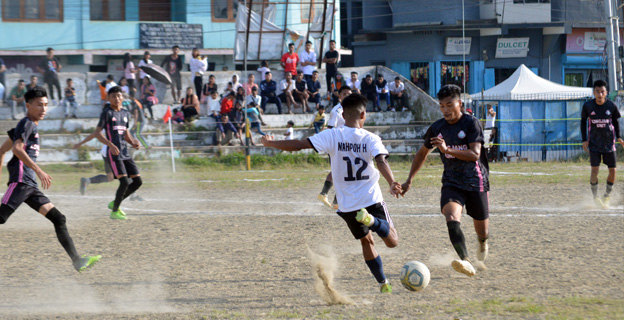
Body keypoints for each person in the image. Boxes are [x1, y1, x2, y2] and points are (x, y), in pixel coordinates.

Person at [261, 93, 401, 293]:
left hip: (347, 205)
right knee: (392, 241)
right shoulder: (371, 138)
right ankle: (373, 222)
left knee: (366, 240)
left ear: (342, 114)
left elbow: (299, 145)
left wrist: (270, 143)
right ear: (364, 115)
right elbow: (381, 161)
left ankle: (382, 283)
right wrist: (392, 182)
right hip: (371, 198)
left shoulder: (332, 135)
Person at [1, 86, 101, 271]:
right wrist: (39, 170)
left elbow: (3, 150)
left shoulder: (24, 126)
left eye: (46, 105)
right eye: (39, 105)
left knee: (59, 219)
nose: (43, 109)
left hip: (30, 185)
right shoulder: (27, 123)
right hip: (22, 180)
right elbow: (17, 149)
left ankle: (77, 261)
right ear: (28, 105)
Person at [400, 84, 490, 277]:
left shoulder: (471, 123)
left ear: (460, 103)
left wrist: (447, 150)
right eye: (442, 106)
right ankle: (465, 261)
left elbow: (475, 154)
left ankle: (482, 241)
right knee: (451, 216)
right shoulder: (437, 128)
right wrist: (409, 180)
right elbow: (422, 153)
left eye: (449, 104)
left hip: (476, 181)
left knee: (482, 230)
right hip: (452, 182)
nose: (446, 110)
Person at [92, 86, 142, 220]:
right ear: (108, 98)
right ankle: (114, 211)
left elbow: (125, 133)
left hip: (125, 151)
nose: (116, 98)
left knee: (137, 181)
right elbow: (97, 133)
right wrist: (111, 145)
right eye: (113, 96)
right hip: (114, 153)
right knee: (124, 182)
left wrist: (133, 142)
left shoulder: (125, 113)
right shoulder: (107, 113)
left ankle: (115, 202)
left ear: (123, 97)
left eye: (119, 96)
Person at [581, 80, 624, 209]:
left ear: (606, 93)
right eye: (597, 91)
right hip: (594, 144)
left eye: (602, 92)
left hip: (609, 144)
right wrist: (584, 140)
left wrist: (619, 137)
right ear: (594, 93)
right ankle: (595, 197)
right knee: (595, 170)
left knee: (613, 171)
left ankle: (606, 196)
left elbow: (616, 122)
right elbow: (583, 122)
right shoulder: (588, 106)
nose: (600, 94)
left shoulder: (611, 106)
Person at [319, 86, 353, 208]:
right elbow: (330, 129)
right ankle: (335, 200)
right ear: (339, 96)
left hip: (346, 146)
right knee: (343, 172)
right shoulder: (337, 111)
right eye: (344, 94)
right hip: (338, 146)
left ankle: (329, 197)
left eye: (349, 93)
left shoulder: (349, 109)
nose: (347, 96)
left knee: (339, 171)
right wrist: (330, 147)